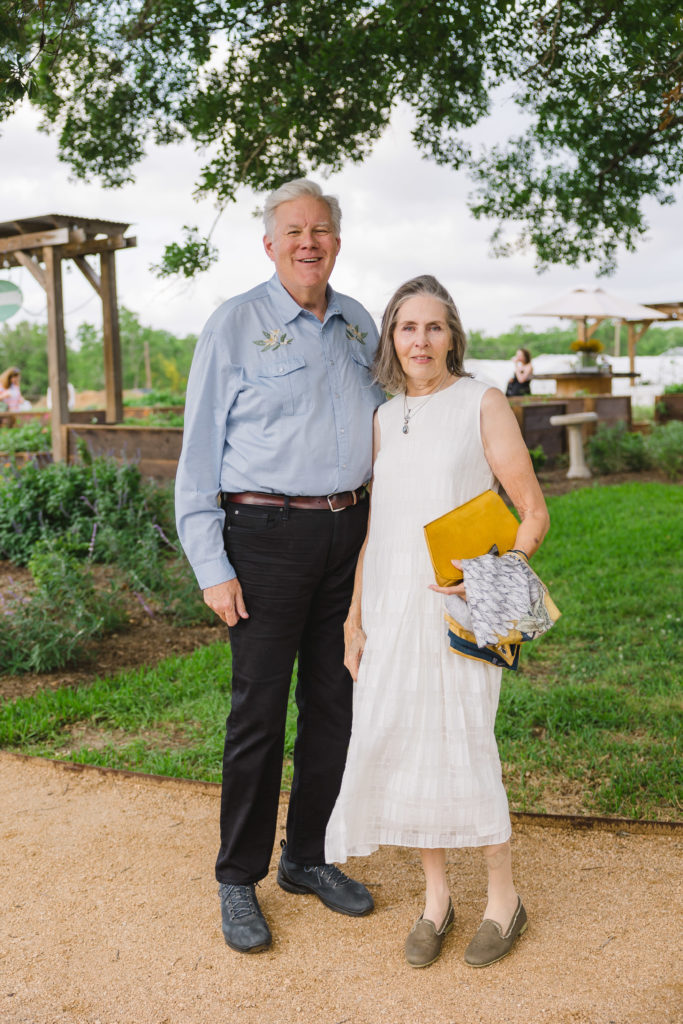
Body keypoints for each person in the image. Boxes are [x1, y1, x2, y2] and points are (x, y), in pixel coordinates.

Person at [175, 178, 384, 954]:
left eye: (321, 229)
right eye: (293, 231)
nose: (308, 242)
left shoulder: (361, 325)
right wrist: (210, 564)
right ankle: (239, 878)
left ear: (336, 241)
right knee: (257, 716)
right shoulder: (234, 325)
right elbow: (197, 455)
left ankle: (306, 858)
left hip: (348, 535)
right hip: (261, 537)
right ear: (269, 245)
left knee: (335, 706)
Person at [325, 275, 550, 969]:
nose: (419, 340)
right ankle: (435, 899)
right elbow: (379, 529)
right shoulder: (383, 418)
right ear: (391, 338)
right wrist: (354, 617)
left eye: (432, 327)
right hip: (390, 609)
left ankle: (503, 902)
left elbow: (532, 513)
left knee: (464, 742)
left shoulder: (481, 402)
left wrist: (477, 579)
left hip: (460, 607)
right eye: (406, 327)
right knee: (403, 743)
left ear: (452, 335)